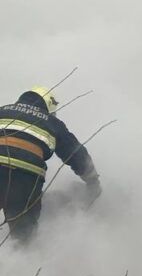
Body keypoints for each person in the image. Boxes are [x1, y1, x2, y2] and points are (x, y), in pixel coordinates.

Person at [0, 87, 101, 242]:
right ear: (49, 106)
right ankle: (22, 255)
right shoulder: (52, 122)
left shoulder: (2, 110)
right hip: (25, 178)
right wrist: (93, 181)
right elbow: (76, 154)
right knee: (23, 236)